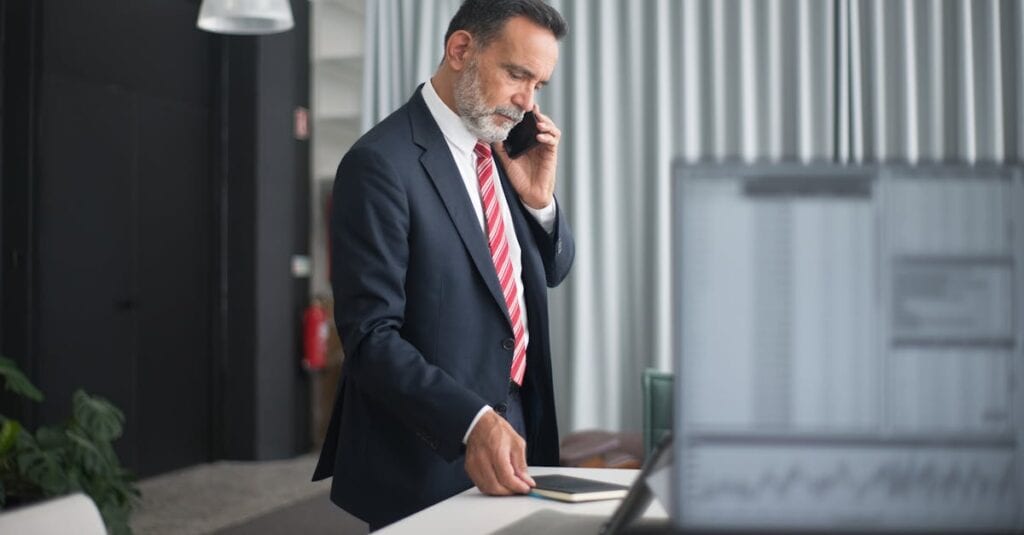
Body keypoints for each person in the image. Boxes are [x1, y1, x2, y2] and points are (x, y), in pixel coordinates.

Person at [312, 0, 573, 529]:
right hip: (429, 447)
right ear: (460, 49)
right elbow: (370, 338)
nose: (526, 102)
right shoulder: (379, 164)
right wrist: (472, 422)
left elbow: (551, 272)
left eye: (538, 85)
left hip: (518, 428)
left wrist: (540, 202)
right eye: (516, 74)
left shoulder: (503, 151)